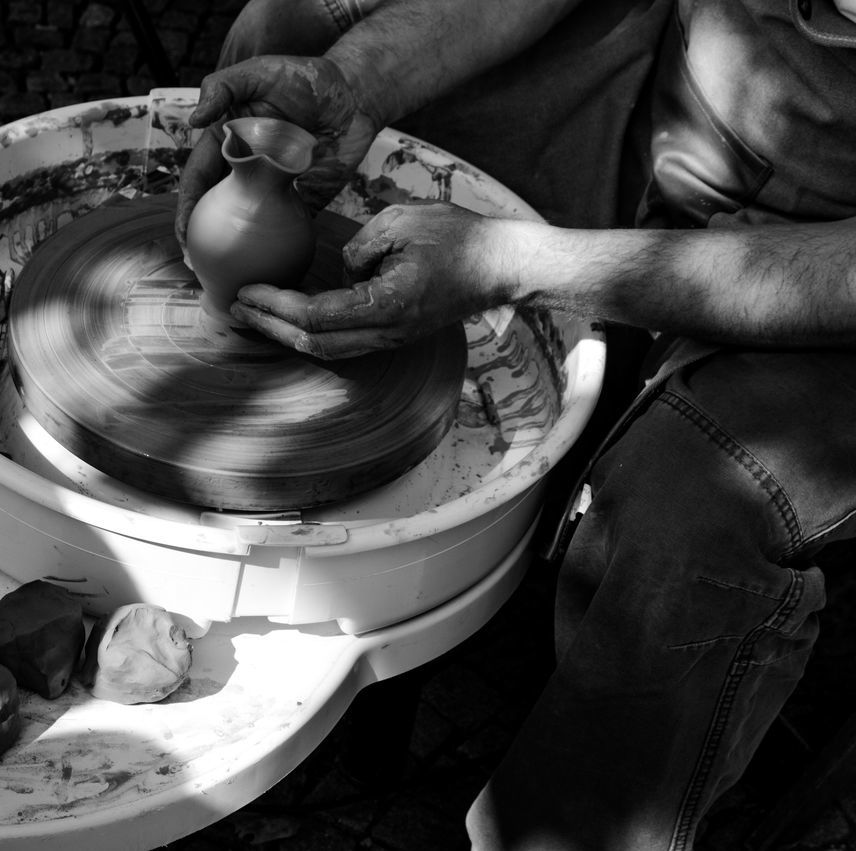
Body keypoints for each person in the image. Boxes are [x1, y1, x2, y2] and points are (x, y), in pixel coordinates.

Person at [173, 1, 856, 848]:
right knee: (295, 29)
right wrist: (360, 78)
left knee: (688, 515)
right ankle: (339, 648)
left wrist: (518, 263)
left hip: (835, 274)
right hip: (678, 102)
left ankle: (562, 827)